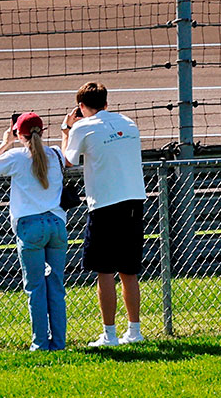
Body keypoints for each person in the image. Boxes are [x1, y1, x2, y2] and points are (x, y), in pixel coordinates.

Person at [61, 82, 147, 347]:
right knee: (129, 271)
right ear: (106, 103)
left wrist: (66, 130)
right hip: (134, 199)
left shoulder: (82, 127)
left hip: (105, 204)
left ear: (81, 107)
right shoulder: (128, 122)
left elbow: (67, 160)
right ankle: (134, 330)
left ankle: (109, 334)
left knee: (105, 272)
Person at [0, 112, 68, 351]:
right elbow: (68, 158)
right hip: (56, 225)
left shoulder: (16, 156)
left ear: (18, 134)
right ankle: (59, 343)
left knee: (36, 288)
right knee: (56, 287)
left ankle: (40, 343)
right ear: (42, 131)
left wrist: (4, 143)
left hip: (30, 227)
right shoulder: (56, 155)